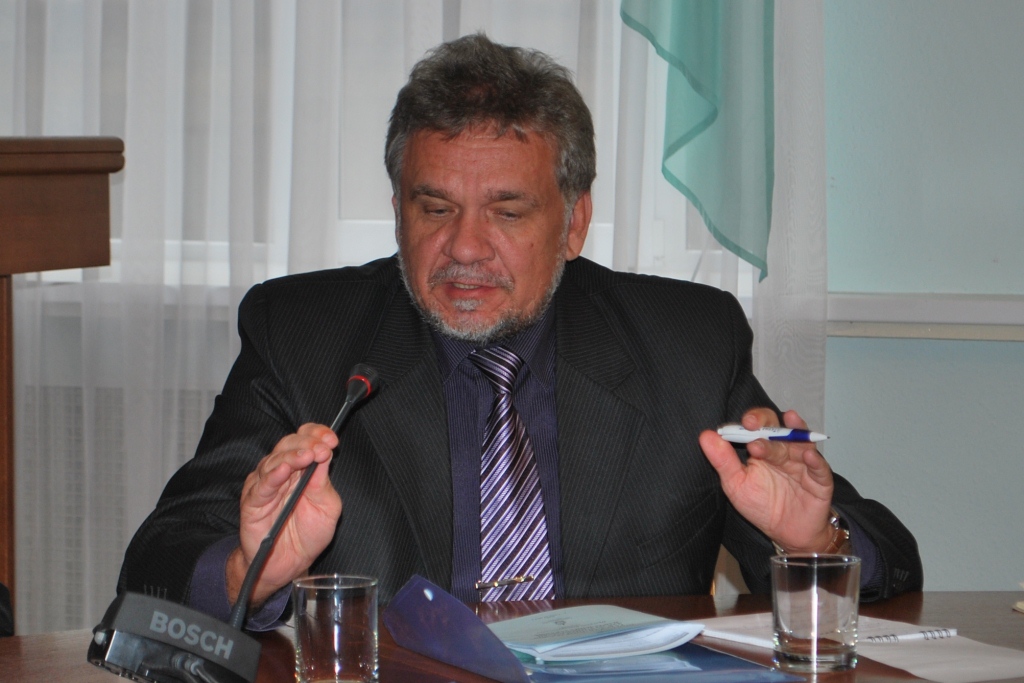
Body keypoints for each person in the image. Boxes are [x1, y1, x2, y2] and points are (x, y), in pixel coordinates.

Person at [118, 34, 922, 626]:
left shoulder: (688, 343)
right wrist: (249, 569)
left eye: (506, 213)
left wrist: (818, 539)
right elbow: (157, 559)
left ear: (574, 223)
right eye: (435, 208)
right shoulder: (304, 336)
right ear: (398, 209)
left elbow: (891, 556)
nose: (465, 248)